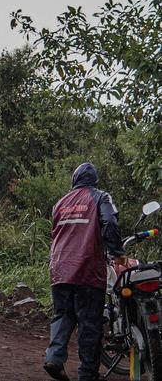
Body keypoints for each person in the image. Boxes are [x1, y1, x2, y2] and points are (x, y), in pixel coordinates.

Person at [43, 163, 126, 381]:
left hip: (59, 268)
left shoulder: (60, 203)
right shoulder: (100, 197)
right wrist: (117, 252)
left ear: (74, 180)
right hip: (87, 270)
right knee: (90, 322)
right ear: (95, 180)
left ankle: (54, 358)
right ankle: (87, 374)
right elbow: (109, 222)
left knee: (63, 315)